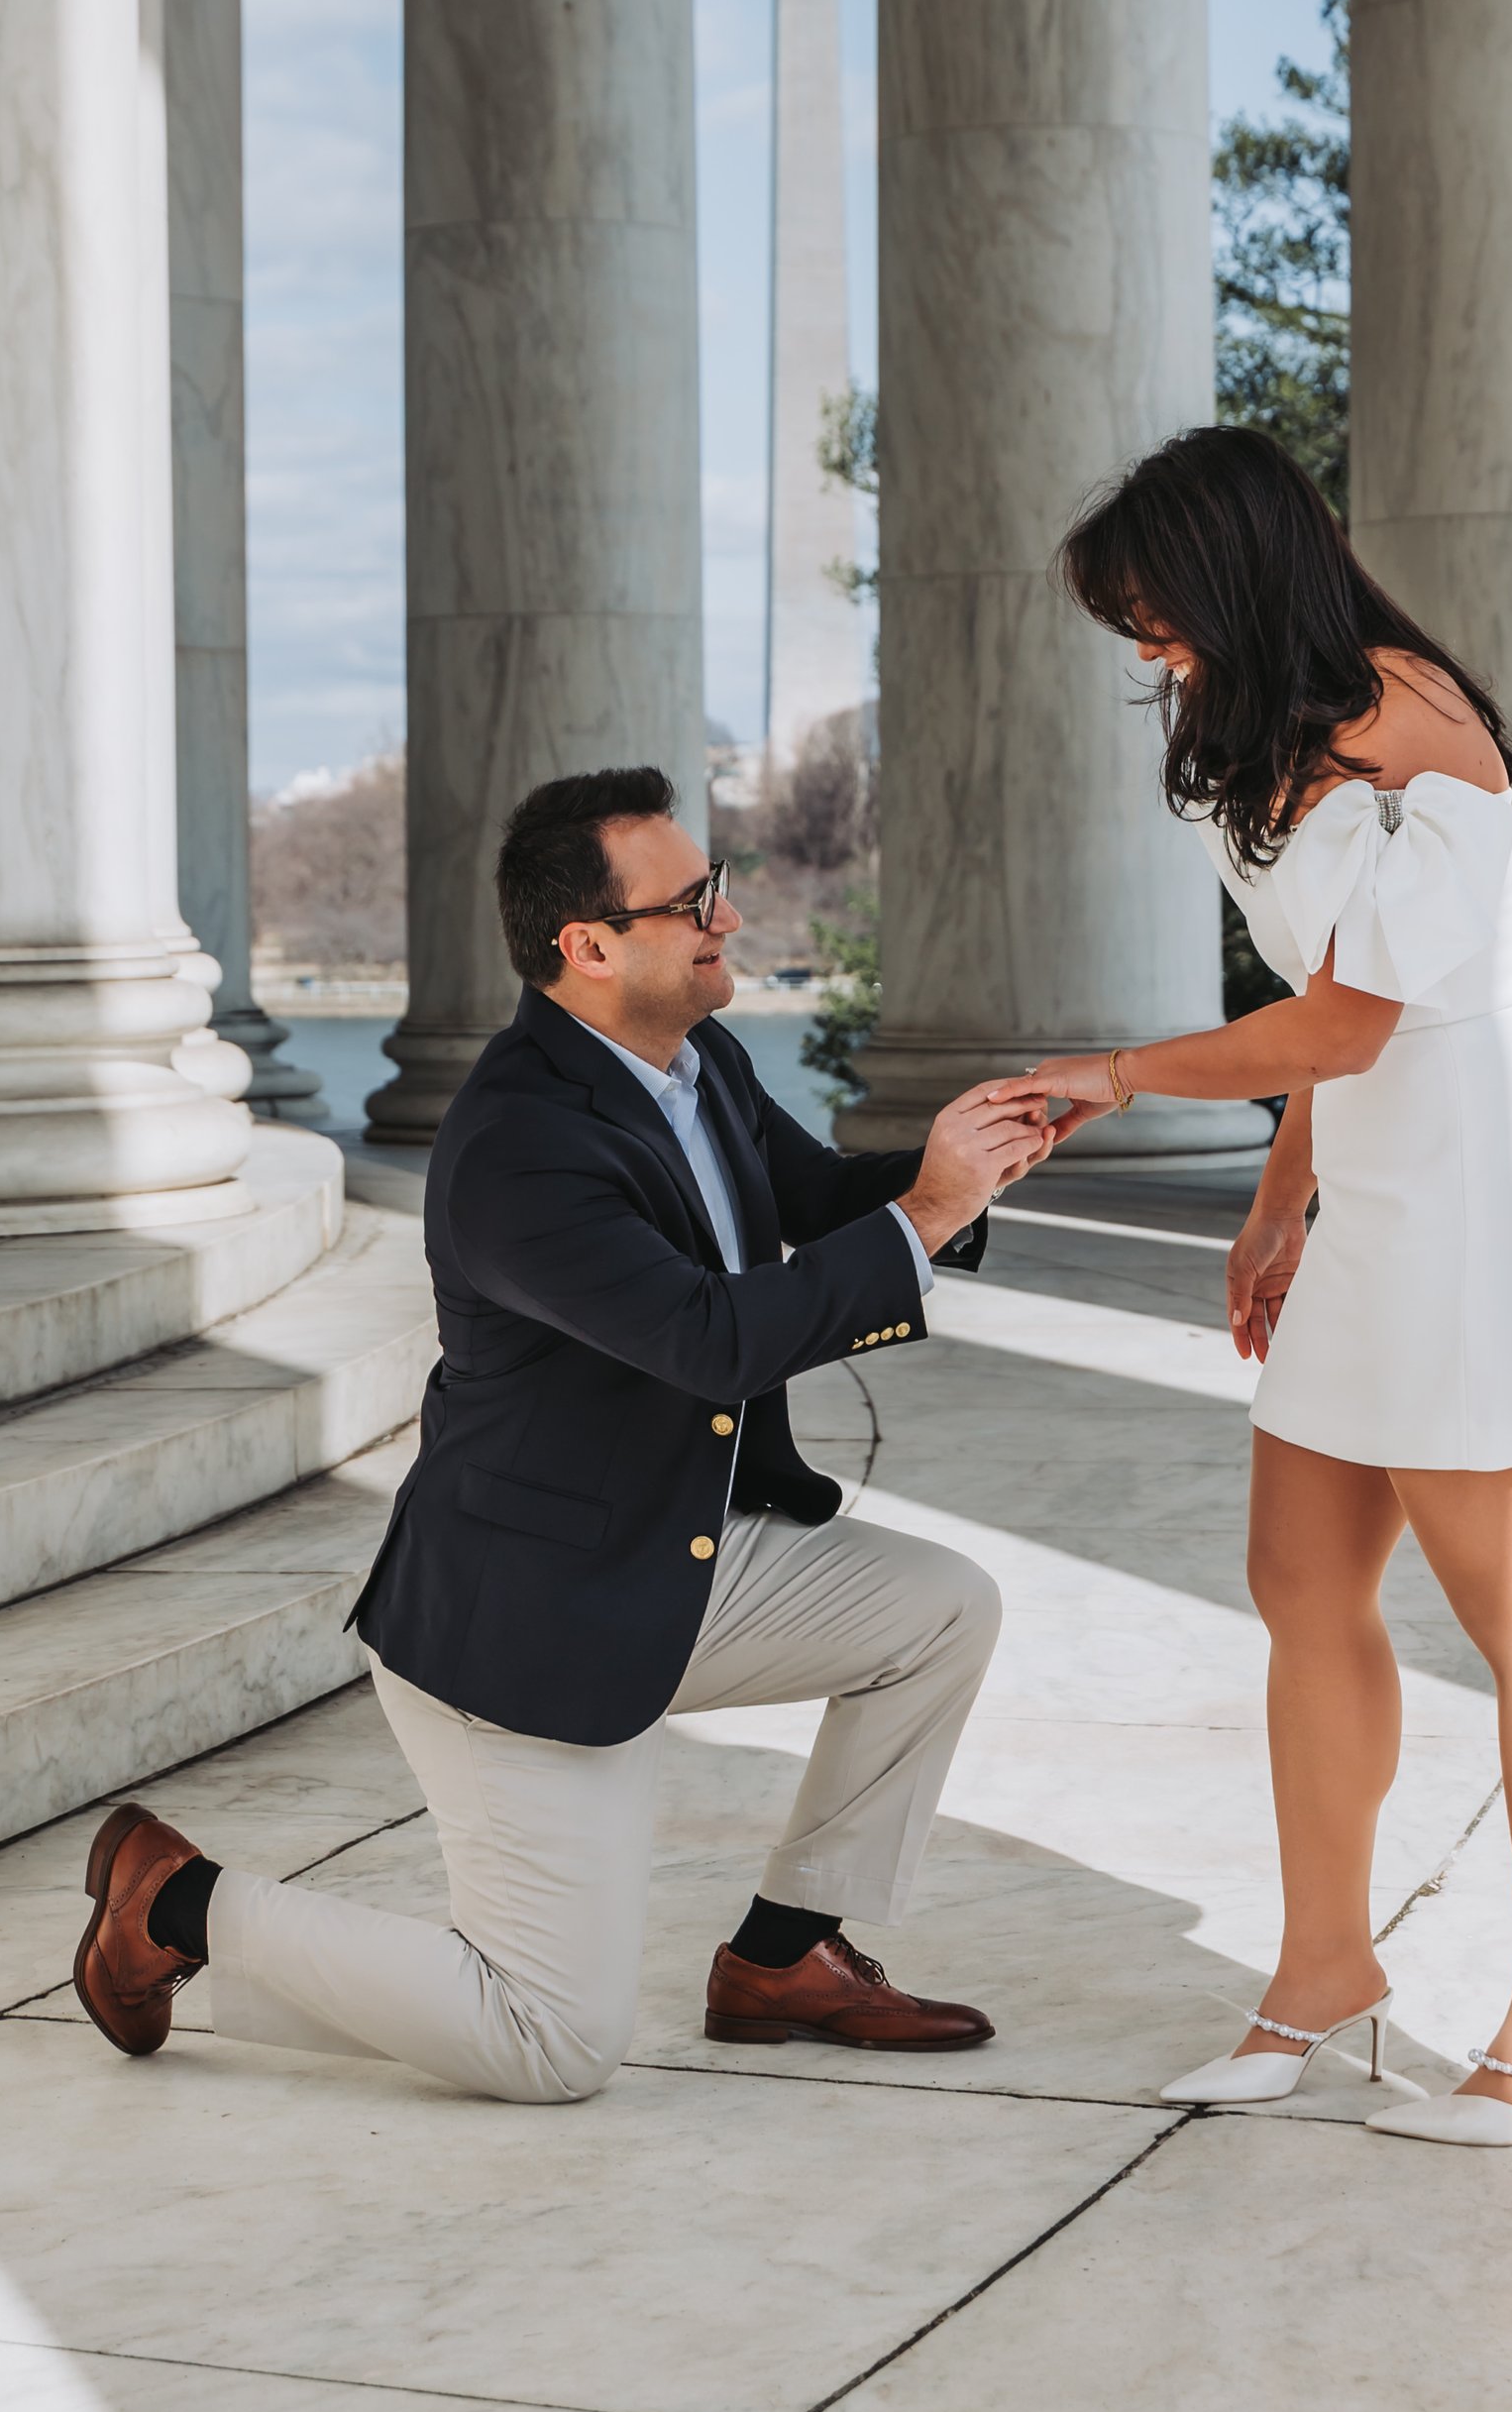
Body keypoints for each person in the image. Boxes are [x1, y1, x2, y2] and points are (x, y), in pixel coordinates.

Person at [73, 765, 1050, 2100]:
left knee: (941, 1608)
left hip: (670, 1556)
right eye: (694, 898)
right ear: (585, 946)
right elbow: (715, 1334)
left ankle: (782, 1953)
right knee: (551, 2043)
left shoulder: (693, 1058)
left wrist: (972, 1163)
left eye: (719, 884)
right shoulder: (517, 1149)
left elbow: (816, 1197)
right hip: (525, 1623)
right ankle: (177, 1901)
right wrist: (922, 1218)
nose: (726, 915)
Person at [1008, 428, 1512, 2147]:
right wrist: (1282, 1199)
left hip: (1471, 1205)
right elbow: (1330, 1021)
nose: (1146, 646)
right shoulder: (1262, 730)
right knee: (1299, 1581)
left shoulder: (1415, 718)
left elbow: (1362, 1016)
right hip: (1365, 1187)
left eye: (1155, 607)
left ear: (1231, 567)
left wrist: (1119, 1074)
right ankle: (1322, 1970)